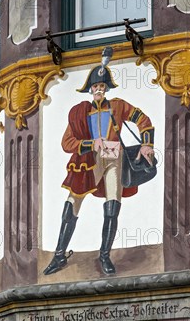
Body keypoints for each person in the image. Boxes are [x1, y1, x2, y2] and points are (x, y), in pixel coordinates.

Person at [43, 47, 155, 276]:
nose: (99, 90)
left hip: (115, 158)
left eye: (102, 87)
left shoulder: (118, 106)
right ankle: (59, 255)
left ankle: (104, 255)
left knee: (113, 204)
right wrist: (89, 145)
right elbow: (67, 143)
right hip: (91, 160)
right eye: (96, 87)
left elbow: (143, 119)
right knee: (72, 201)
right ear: (90, 89)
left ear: (106, 89)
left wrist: (147, 144)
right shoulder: (80, 113)